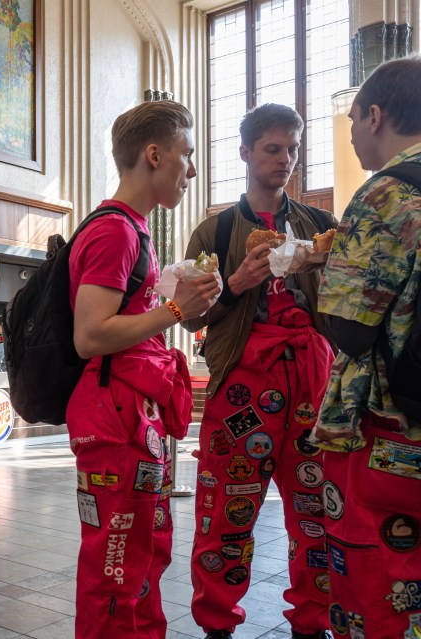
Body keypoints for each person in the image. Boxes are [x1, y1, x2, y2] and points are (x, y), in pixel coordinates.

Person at [181, 104, 337, 639]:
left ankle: (312, 623)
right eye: (273, 149)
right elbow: (190, 317)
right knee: (226, 506)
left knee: (317, 508)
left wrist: (325, 267)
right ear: (245, 152)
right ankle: (217, 622)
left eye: (292, 149)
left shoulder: (321, 226)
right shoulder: (214, 231)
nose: (285, 160)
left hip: (313, 378)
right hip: (244, 380)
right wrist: (238, 281)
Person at [67, 100, 220, 638]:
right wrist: (179, 311)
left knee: (145, 553)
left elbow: (125, 321)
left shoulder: (136, 231)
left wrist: (174, 302)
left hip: (135, 415)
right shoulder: (115, 232)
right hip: (114, 418)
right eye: (188, 154)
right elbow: (90, 336)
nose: (192, 170)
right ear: (154, 155)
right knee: (116, 560)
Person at [311, 55, 421, 639]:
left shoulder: (385, 195)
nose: (353, 135)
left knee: (379, 583)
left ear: (374, 116)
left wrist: (323, 275)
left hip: (391, 427)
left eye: (353, 120)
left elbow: (348, 328)